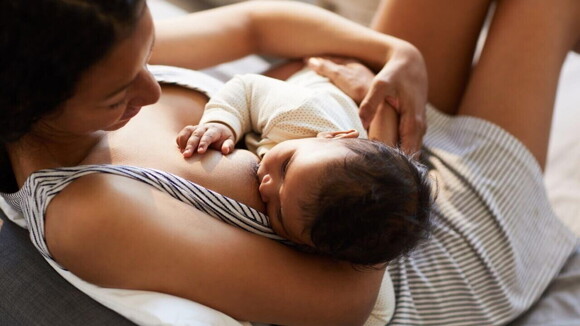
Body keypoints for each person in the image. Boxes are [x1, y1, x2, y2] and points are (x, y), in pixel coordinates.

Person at [0, 1, 578, 326]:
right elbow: (342, 304)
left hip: (359, 141)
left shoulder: (99, 43)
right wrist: (385, 155)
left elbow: (254, 26)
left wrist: (394, 55)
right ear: (27, 103)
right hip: (420, 259)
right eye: (118, 95)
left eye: (149, 55)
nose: (152, 91)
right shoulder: (89, 212)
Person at [175, 68, 433, 265]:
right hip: (314, 79)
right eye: (286, 167)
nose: (266, 186)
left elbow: (379, 311)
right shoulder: (301, 113)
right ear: (333, 136)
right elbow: (247, 88)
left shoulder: (332, 230)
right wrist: (224, 123)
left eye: (278, 213)